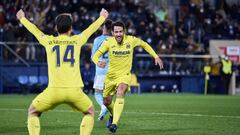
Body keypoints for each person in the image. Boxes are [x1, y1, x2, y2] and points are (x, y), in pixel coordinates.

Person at [16, 8, 108, 135]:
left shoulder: (49, 41)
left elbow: (34, 30)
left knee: (33, 111)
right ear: (70, 28)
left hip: (54, 91)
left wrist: (22, 18)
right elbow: (90, 29)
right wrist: (102, 17)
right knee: (90, 112)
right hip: (75, 91)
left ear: (56, 28)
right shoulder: (77, 40)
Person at [92, 21, 164, 133]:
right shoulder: (108, 42)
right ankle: (113, 114)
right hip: (110, 77)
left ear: (124, 31)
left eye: (120, 31)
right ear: (112, 32)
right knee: (106, 101)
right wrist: (97, 62)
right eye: (116, 32)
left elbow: (144, 44)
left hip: (124, 75)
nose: (118, 34)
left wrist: (155, 56)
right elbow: (95, 55)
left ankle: (114, 124)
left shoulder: (131, 40)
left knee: (120, 91)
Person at [91, 19, 112, 121]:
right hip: (112, 71)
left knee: (97, 93)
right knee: (109, 95)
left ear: (104, 28)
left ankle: (103, 108)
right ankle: (109, 114)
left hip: (101, 70)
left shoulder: (97, 40)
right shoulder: (114, 40)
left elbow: (93, 56)